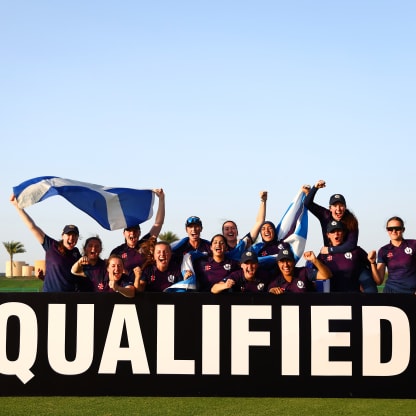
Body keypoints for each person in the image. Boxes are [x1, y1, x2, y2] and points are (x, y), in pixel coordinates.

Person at [303, 179, 376, 293]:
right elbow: (307, 203)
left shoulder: (351, 220)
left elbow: (351, 244)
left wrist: (330, 249)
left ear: (345, 207)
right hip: (331, 260)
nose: (338, 209)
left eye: (341, 205)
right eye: (335, 206)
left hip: (349, 257)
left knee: (368, 284)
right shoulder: (325, 215)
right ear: (330, 208)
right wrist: (315, 187)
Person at [10, 193, 82, 292]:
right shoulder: (51, 245)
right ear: (62, 236)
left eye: (74, 236)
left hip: (68, 300)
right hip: (48, 298)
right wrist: (17, 206)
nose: (71, 238)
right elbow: (32, 227)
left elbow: (71, 278)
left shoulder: (77, 254)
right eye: (68, 235)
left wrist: (44, 277)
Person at [110, 188, 165, 279]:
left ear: (139, 233)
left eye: (135, 230)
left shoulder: (145, 243)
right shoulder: (117, 252)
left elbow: (158, 223)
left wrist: (162, 199)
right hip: (126, 289)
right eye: (129, 230)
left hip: (146, 288)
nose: (132, 232)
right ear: (124, 233)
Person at [318, 220, 378, 292]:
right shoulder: (323, 253)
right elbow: (313, 272)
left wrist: (366, 284)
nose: (336, 234)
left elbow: (371, 267)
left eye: (339, 231)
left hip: (354, 297)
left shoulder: (355, 250)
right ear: (328, 235)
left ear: (343, 233)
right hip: (333, 298)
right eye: (333, 231)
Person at [368, 216, 416, 294]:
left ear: (403, 229)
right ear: (387, 230)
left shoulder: (413, 244)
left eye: (397, 228)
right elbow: (379, 281)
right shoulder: (383, 250)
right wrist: (372, 263)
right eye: (390, 229)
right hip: (391, 293)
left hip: (411, 293)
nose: (393, 231)